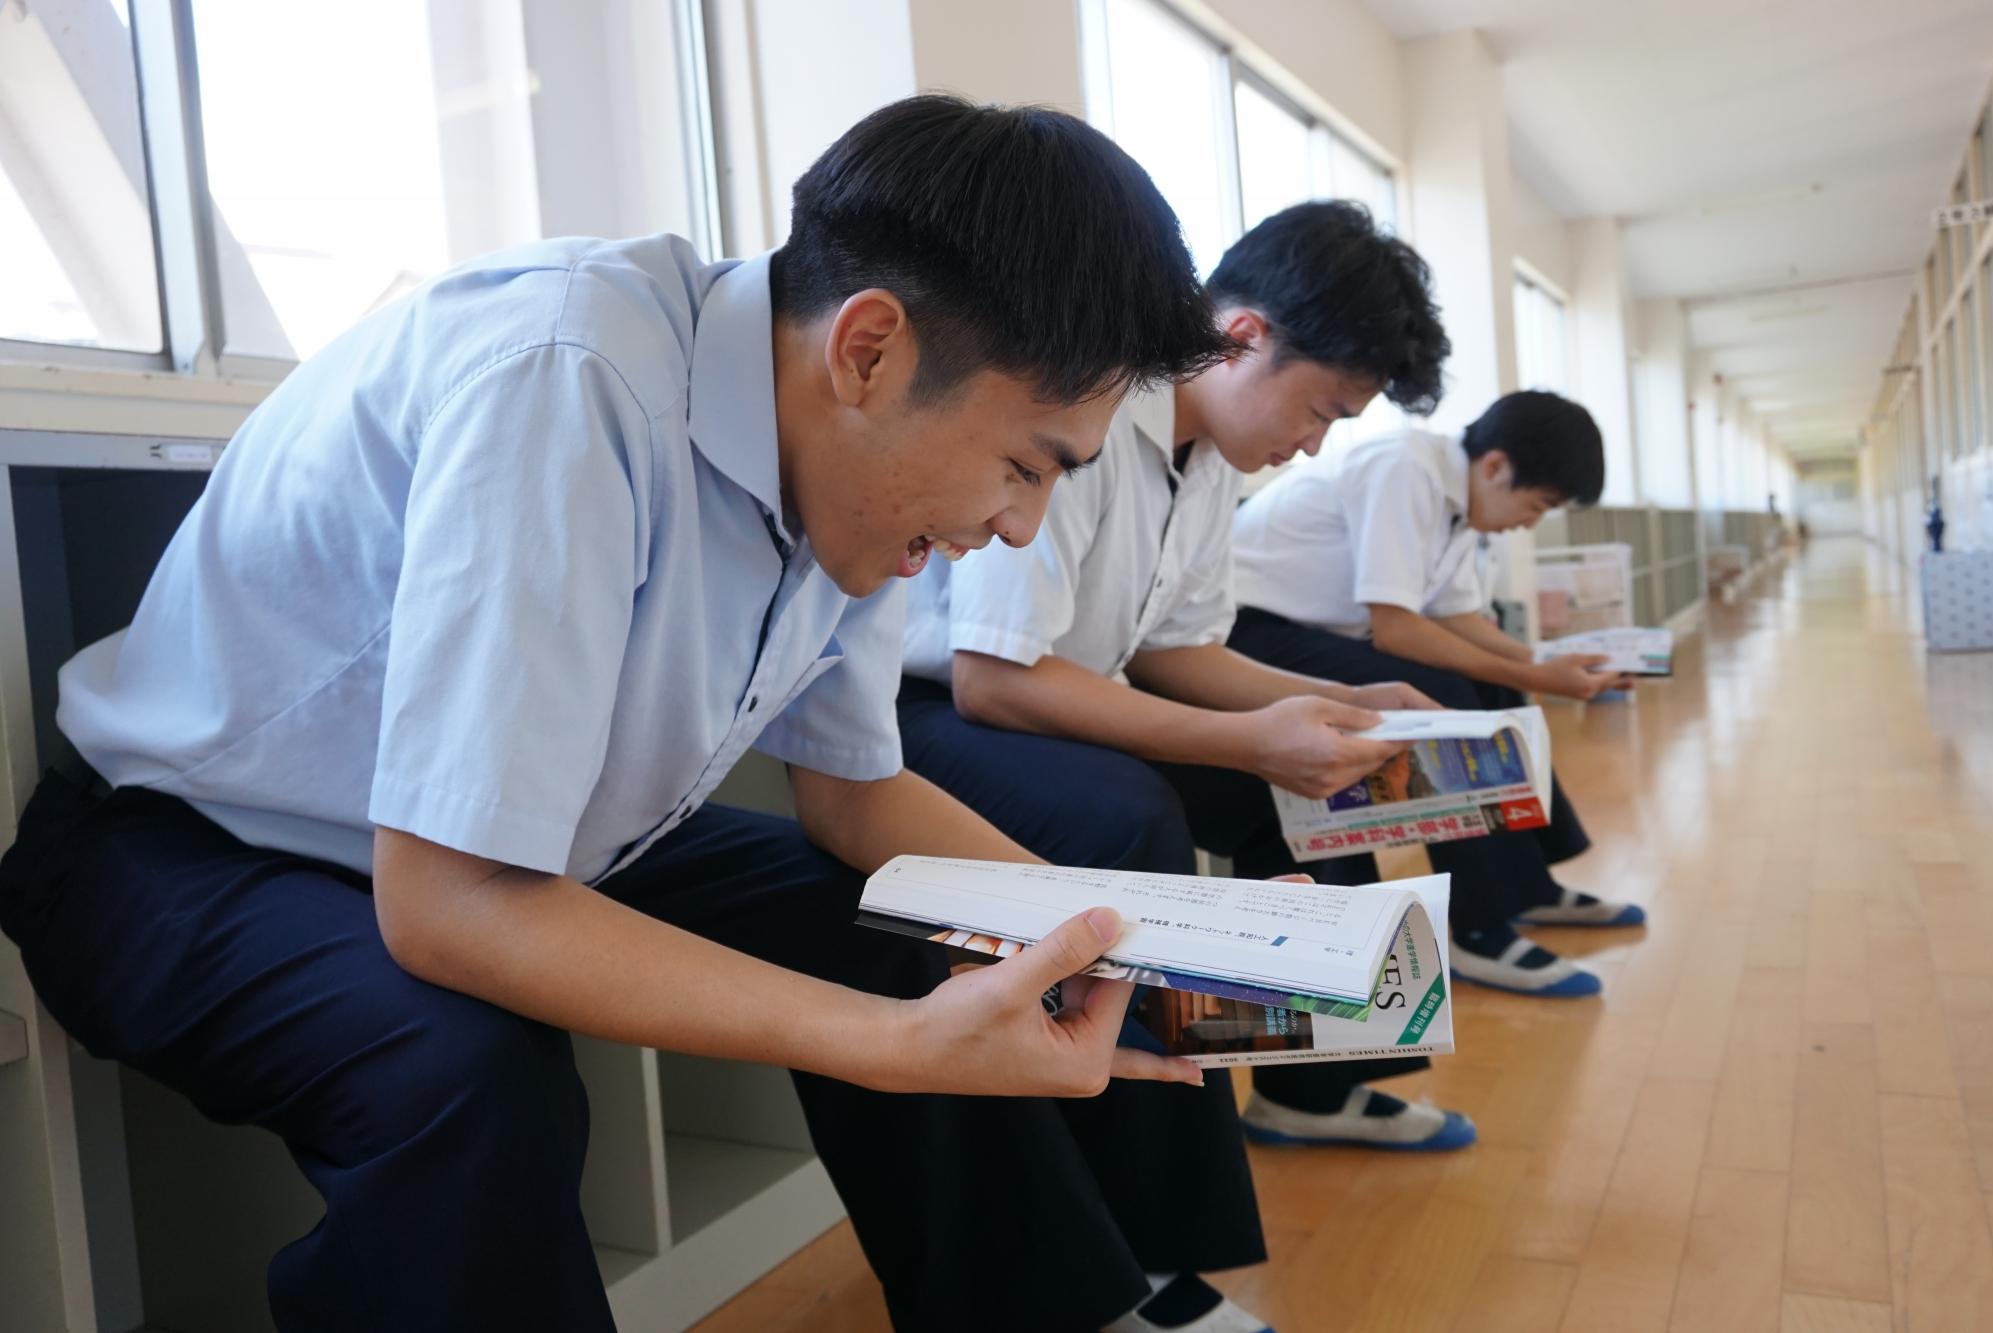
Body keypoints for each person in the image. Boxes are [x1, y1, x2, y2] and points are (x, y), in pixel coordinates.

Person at [0, 97, 1275, 1333]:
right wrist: (886, 1046)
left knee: (920, 927)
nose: (1018, 524)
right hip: (177, 850)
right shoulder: (570, 377)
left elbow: (855, 797)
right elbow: (446, 900)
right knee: (465, 1074)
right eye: (1022, 464)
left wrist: (1126, 939)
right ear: (869, 350)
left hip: (531, 847)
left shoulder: (849, 471)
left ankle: (1060, 1309)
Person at [899, 201, 1478, 1160]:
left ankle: (1317, 1083)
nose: (1313, 445)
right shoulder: (1087, 410)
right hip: (939, 711)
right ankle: (1159, 1189)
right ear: (1242, 337)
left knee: (1316, 784)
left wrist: (1344, 707)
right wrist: (1251, 740)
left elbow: (1176, 650)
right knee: (1131, 812)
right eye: (1320, 412)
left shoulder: (1211, 459)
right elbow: (992, 682)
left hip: (1061, 695)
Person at [1230, 388, 1646, 1000]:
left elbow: (1457, 619)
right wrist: (1543, 677)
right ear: (1497, 466)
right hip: (1249, 630)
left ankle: (1526, 888)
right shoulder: (1406, 466)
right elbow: (1399, 628)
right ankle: (1478, 927)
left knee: (1492, 683)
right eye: (1538, 505)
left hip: (1313, 630)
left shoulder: (1459, 506)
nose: (1530, 523)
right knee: (1445, 692)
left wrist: (1547, 661)